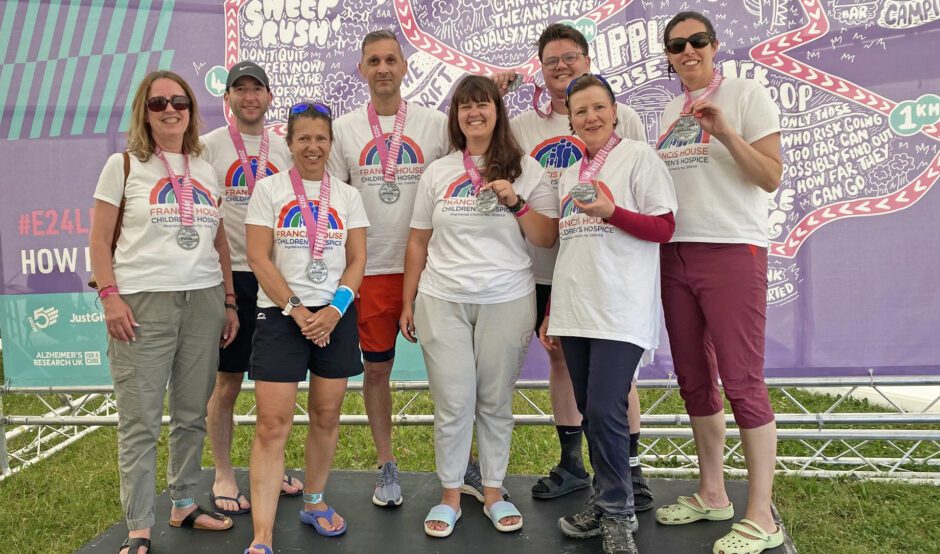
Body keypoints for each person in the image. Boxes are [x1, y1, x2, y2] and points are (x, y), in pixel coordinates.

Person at [492, 22, 655, 510]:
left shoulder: (621, 117)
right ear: (539, 71)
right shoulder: (523, 126)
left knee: (613, 375)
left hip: (606, 265)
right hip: (546, 263)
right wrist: (496, 100)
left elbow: (645, 200)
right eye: (551, 61)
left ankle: (628, 468)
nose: (561, 66)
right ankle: (571, 463)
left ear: (587, 59)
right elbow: (484, 148)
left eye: (570, 57)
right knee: (561, 358)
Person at [400, 75, 558, 538]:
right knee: (453, 401)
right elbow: (417, 240)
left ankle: (492, 490)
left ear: (497, 111)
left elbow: (547, 238)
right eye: (465, 106)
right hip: (441, 299)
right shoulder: (438, 171)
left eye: (482, 104)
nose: (474, 113)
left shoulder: (526, 169)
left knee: (494, 401)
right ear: (456, 115)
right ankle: (451, 493)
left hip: (506, 299)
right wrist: (407, 300)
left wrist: (516, 202)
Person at [89, 70, 239, 554]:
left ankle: (184, 502)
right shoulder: (125, 164)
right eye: (158, 104)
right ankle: (137, 525)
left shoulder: (205, 166)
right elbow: (98, 237)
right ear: (144, 112)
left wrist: (230, 301)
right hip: (143, 304)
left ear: (192, 109)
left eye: (179, 101)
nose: (170, 109)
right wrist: (110, 295)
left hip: (204, 300)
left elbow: (219, 239)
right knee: (141, 421)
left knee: (193, 413)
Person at [653, 11, 784, 554]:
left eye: (697, 42)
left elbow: (771, 176)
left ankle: (761, 513)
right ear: (668, 56)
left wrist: (727, 131)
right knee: (694, 379)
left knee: (742, 381)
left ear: (714, 45)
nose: (688, 52)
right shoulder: (666, 109)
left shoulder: (748, 94)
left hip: (732, 250)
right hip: (675, 253)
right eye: (677, 45)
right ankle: (712, 493)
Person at [540, 73, 677, 554]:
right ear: (571, 120)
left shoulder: (639, 157)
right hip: (575, 308)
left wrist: (612, 211)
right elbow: (569, 247)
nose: (590, 117)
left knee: (605, 409)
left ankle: (618, 513)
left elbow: (664, 226)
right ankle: (605, 500)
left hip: (620, 308)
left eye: (598, 107)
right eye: (580, 111)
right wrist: (553, 307)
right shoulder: (569, 172)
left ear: (615, 111)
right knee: (591, 414)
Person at [242, 102, 369, 554]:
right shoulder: (269, 190)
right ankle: (262, 534)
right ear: (290, 142)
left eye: (320, 138)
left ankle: (314, 501)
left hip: (334, 316)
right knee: (272, 425)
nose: (312, 146)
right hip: (281, 316)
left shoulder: (348, 197)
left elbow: (357, 261)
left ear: (330, 143)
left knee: (326, 415)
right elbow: (258, 257)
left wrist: (334, 309)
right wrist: (296, 310)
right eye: (303, 138)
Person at [328, 30, 448, 507]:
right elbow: (333, 199)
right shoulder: (344, 129)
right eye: (373, 60)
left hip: (433, 270)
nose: (382, 68)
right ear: (362, 69)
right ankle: (386, 465)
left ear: (404, 67)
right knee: (376, 373)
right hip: (372, 270)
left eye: (391, 60)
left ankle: (461, 466)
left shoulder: (435, 124)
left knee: (452, 375)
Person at [201, 60, 300, 516]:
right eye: (239, 89)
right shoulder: (206, 148)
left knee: (274, 383)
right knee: (227, 381)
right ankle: (223, 471)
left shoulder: (286, 149)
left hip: (277, 277)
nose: (248, 96)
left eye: (256, 88)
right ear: (229, 99)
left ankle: (269, 465)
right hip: (230, 276)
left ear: (268, 96)